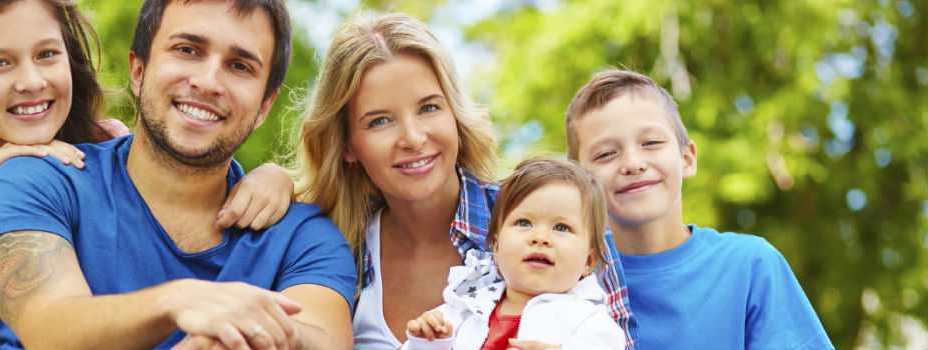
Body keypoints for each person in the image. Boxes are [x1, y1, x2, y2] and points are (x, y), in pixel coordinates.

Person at [0, 0, 290, 348]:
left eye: (47, 55)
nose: (31, 80)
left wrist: (275, 177)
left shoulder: (100, 143)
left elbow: (194, 175)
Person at [0, 0, 355, 349]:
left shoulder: (302, 236)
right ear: (138, 69)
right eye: (188, 50)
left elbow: (325, 340)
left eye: (239, 66)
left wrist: (243, 335)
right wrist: (179, 301)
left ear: (265, 106)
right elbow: (48, 329)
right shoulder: (36, 182)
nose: (207, 82)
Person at [289, 13, 634, 349]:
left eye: (428, 108)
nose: (413, 137)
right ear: (347, 144)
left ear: (454, 113)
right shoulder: (334, 244)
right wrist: (270, 179)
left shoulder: (564, 225)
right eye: (380, 121)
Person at [564, 69, 832, 349]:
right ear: (578, 183)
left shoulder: (751, 266)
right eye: (606, 154)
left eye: (651, 143)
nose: (632, 163)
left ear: (687, 158)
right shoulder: (562, 278)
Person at [403, 158, 623, 350]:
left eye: (561, 228)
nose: (540, 237)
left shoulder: (591, 323)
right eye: (524, 223)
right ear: (496, 248)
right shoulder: (462, 310)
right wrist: (427, 343)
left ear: (588, 261)